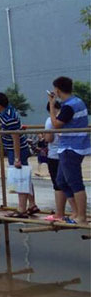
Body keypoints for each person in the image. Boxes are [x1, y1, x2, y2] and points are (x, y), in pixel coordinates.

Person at [47, 76, 89, 224]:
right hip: (72, 145)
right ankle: (76, 212)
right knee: (61, 181)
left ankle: (82, 217)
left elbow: (55, 124)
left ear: (57, 90)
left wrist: (52, 106)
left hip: (71, 147)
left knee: (74, 181)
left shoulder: (69, 106)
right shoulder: (77, 101)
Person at [0, 92, 37, 217]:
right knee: (25, 177)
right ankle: (32, 204)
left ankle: (21, 209)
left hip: (17, 149)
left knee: (20, 177)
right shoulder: (7, 111)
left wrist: (16, 157)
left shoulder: (8, 117)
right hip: (16, 149)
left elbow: (15, 136)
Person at [43, 101, 66, 221]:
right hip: (66, 153)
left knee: (57, 184)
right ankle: (75, 212)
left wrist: (44, 137)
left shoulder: (50, 121)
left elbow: (49, 138)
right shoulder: (65, 119)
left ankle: (59, 213)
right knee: (68, 183)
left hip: (54, 154)